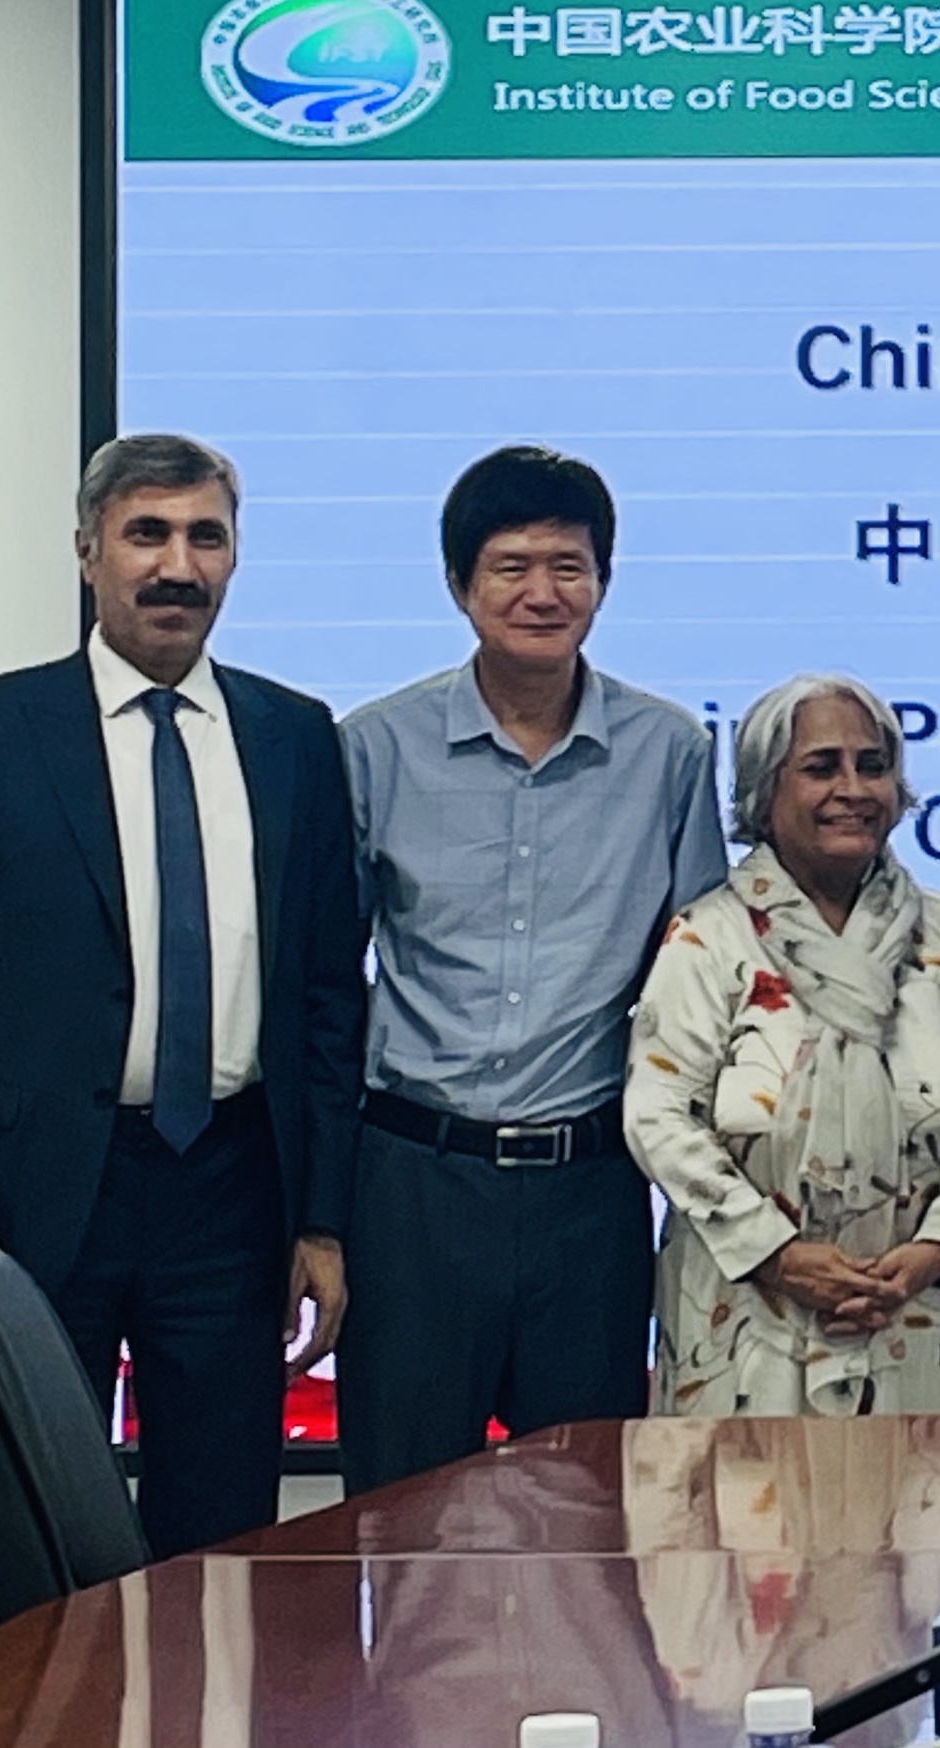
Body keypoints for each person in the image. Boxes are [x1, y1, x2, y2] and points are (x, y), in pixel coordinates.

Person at [0, 434, 365, 1557]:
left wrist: (321, 1217)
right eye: (147, 534)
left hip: (232, 1191)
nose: (177, 566)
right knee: (18, 1533)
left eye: (206, 536)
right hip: (35, 1200)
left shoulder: (294, 736)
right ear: (87, 550)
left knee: (218, 1544)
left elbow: (328, 996)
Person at [337, 446, 724, 1493]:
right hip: (414, 1184)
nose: (542, 593)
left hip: (588, 1191)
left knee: (590, 1511)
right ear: (459, 583)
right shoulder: (374, 747)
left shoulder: (669, 753)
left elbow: (695, 980)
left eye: (569, 565)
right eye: (511, 566)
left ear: (604, 580)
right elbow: (324, 976)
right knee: (402, 1506)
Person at [624, 673, 940, 1415]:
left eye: (873, 766)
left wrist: (935, 1251)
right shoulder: (709, 936)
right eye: (820, 767)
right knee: (742, 1496)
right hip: (746, 1309)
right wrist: (779, 1256)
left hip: (909, 1310)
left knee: (915, 1494)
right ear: (763, 794)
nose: (853, 789)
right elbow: (659, 1116)